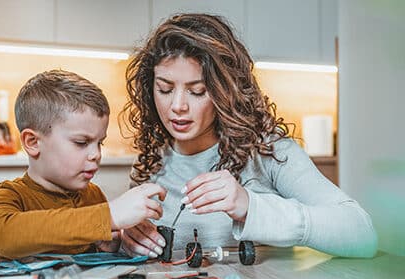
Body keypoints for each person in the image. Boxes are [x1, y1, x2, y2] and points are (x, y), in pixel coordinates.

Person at [119, 13, 377, 259]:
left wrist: (250, 206)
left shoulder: (270, 152)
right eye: (164, 89)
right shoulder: (151, 160)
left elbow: (361, 234)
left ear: (225, 92)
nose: (177, 106)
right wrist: (127, 239)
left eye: (197, 91)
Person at [0, 70, 166, 260]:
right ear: (33, 142)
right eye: (81, 143)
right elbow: (3, 236)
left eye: (99, 143)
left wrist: (116, 243)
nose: (96, 154)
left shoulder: (93, 195)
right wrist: (108, 217)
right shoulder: (9, 195)